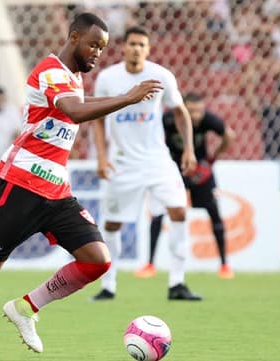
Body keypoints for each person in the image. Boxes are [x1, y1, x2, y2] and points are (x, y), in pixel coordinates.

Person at [0, 13, 164, 361]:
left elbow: (80, 105)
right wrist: (128, 98)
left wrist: (125, 96)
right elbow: (75, 112)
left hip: (56, 189)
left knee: (97, 260)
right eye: (93, 44)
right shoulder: (50, 70)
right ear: (73, 37)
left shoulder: (73, 78)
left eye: (103, 48)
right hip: (21, 183)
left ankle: (27, 308)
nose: (97, 53)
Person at [90, 26, 202, 302]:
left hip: (157, 161)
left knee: (178, 211)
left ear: (148, 49)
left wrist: (188, 148)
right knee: (113, 224)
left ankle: (177, 282)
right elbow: (98, 118)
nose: (137, 48)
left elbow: (179, 111)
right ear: (123, 47)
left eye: (142, 44)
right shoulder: (108, 78)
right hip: (122, 163)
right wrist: (102, 157)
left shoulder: (161, 75)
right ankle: (109, 285)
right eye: (132, 44)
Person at [136, 92, 236, 279]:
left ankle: (224, 265)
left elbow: (229, 135)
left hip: (199, 173)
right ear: (182, 110)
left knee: (214, 212)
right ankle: (149, 264)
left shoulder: (208, 119)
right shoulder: (168, 120)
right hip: (173, 172)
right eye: (191, 111)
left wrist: (210, 161)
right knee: (158, 214)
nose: (196, 116)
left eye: (199, 111)